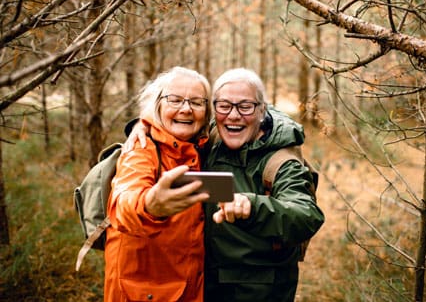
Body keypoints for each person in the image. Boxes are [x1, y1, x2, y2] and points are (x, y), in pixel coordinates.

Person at [127, 68, 325, 302]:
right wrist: (143, 125)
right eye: (224, 106)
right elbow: (173, 121)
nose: (233, 115)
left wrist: (252, 206)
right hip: (204, 284)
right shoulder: (211, 139)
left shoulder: (281, 161)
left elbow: (306, 215)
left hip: (259, 291)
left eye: (245, 106)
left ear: (262, 110)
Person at [104, 66, 212, 302]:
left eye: (196, 102)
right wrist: (150, 206)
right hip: (142, 292)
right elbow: (123, 202)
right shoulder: (141, 149)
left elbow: (251, 109)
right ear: (158, 105)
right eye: (175, 100)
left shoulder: (203, 147)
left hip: (187, 288)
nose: (186, 109)